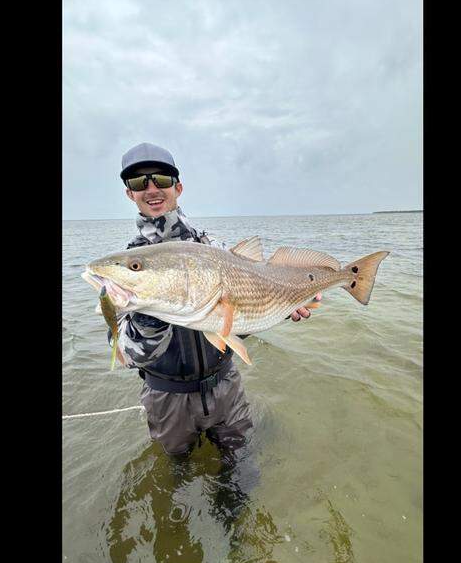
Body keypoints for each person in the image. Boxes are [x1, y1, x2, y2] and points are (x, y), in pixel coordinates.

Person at [107, 142, 321, 458]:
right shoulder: (124, 272)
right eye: (139, 182)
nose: (151, 188)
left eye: (161, 180)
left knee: (242, 469)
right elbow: (126, 355)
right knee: (177, 476)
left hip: (226, 386)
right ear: (129, 193)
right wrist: (146, 311)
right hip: (168, 398)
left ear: (177, 187)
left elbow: (240, 316)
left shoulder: (215, 249)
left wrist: (284, 304)